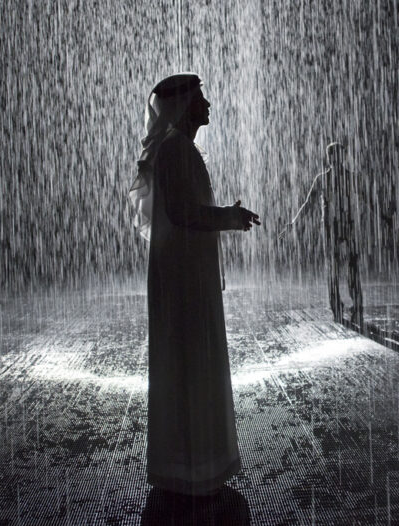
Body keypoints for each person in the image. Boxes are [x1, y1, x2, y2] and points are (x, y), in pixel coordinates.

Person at [128, 73, 260, 497]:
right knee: (190, 364)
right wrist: (228, 218)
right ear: (184, 104)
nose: (208, 105)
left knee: (188, 364)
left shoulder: (178, 149)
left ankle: (191, 463)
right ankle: (192, 466)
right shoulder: (175, 151)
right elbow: (185, 214)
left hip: (186, 275)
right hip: (183, 279)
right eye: (200, 98)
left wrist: (223, 216)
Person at [279, 143, 393, 327]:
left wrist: (384, 216)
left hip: (345, 225)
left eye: (340, 156)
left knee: (351, 268)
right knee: (335, 269)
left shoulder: (348, 178)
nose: (337, 160)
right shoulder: (325, 179)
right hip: (333, 227)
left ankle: (354, 308)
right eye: (335, 157)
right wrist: (293, 223)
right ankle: (340, 308)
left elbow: (368, 200)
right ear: (330, 158)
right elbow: (308, 204)